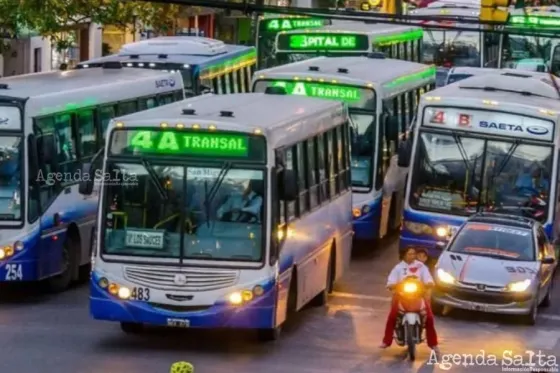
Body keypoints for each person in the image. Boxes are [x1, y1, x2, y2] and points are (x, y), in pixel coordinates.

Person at [380, 247, 439, 353]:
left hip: (419, 296)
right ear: (404, 255)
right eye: (409, 254)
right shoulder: (398, 268)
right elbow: (390, 282)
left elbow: (428, 279)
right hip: (401, 296)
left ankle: (433, 343)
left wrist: (429, 283)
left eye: (413, 254)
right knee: (392, 317)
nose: (412, 256)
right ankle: (386, 341)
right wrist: (392, 286)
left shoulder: (421, 267)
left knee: (429, 318)